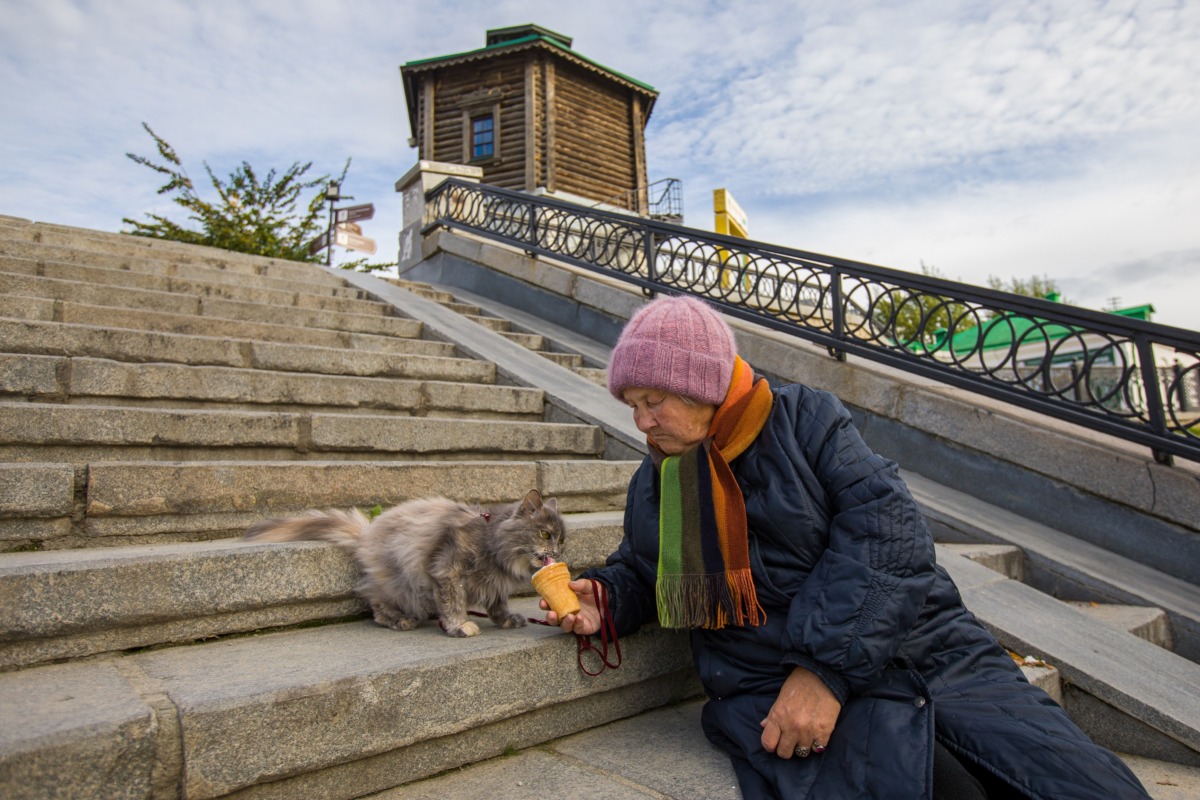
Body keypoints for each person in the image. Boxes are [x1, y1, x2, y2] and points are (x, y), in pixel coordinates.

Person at [542, 294, 1151, 799]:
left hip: (927, 650)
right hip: (768, 680)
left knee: (1071, 780)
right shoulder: (656, 480)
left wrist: (824, 669)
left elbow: (889, 533)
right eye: (632, 406)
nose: (641, 423)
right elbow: (645, 569)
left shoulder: (807, 421)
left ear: (703, 385)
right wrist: (605, 596)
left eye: (655, 402)